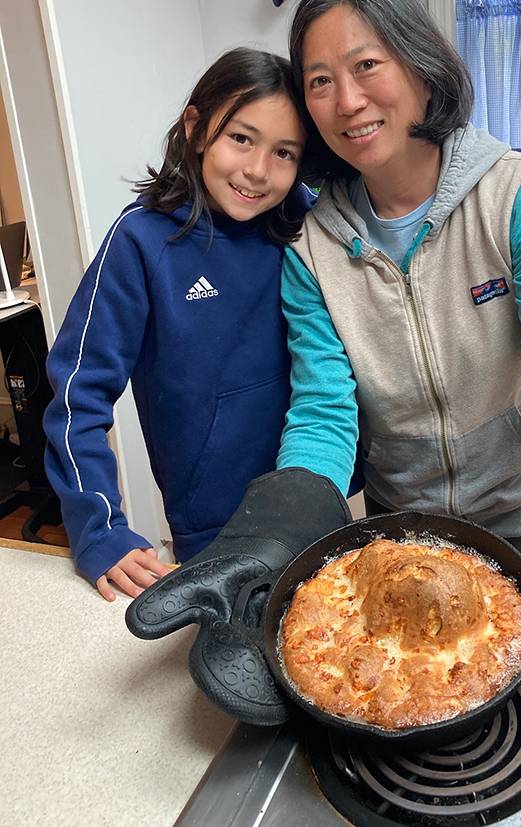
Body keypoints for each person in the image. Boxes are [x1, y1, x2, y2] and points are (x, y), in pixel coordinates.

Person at [126, 0, 521, 720]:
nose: (346, 101)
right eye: (319, 80)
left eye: (366, 65)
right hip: (392, 539)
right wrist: (269, 538)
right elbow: (323, 412)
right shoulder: (310, 245)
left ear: (419, 64)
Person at [43, 48, 319, 601]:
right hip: (211, 528)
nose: (258, 170)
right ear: (196, 129)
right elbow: (78, 396)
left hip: (318, 502)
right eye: (241, 138)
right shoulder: (141, 241)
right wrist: (99, 529)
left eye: (284, 152)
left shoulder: (308, 224)